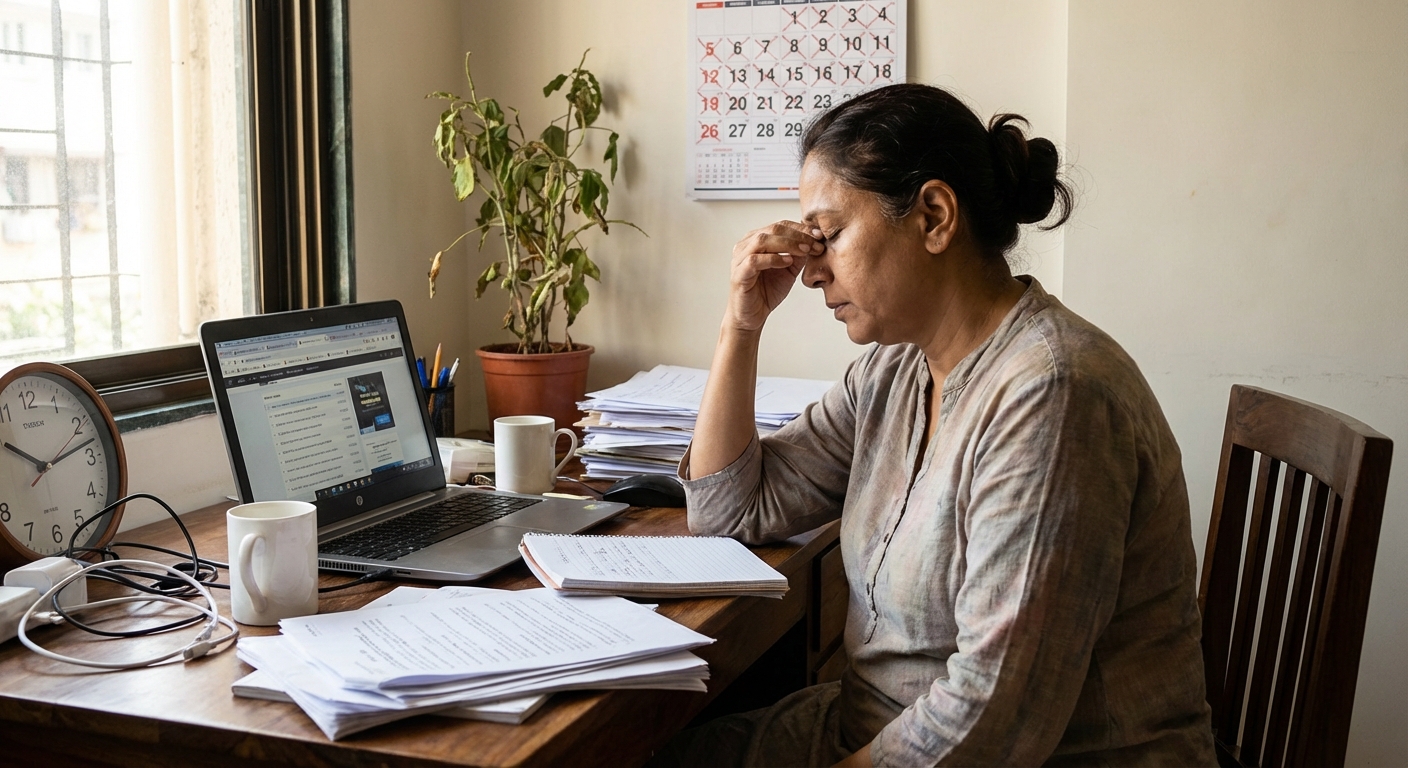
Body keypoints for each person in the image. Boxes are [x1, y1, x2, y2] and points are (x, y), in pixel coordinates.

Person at [654, 84, 1217, 767]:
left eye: (827, 236)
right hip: (869, 728)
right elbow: (728, 511)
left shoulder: (1053, 395)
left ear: (934, 215)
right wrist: (739, 324)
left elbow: (996, 719)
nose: (810, 274)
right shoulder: (895, 372)